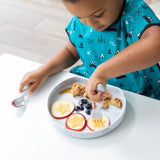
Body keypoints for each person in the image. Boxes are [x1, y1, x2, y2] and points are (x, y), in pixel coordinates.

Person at [19, 0, 160, 105]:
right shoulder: (84, 18)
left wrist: (102, 72)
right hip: (95, 93)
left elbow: (156, 45)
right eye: (79, 17)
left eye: (98, 14)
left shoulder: (135, 12)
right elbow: (70, 51)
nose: (90, 23)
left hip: (141, 95)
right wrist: (44, 70)